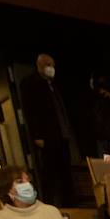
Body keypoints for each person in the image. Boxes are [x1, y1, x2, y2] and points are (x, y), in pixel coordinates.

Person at [19, 54, 76, 207]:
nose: (51, 68)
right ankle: (48, 204)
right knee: (48, 174)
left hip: (61, 135)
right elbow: (30, 112)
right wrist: (37, 135)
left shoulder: (54, 84)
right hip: (46, 136)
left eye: (52, 65)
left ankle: (69, 205)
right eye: (48, 65)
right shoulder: (30, 83)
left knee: (66, 174)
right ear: (40, 66)